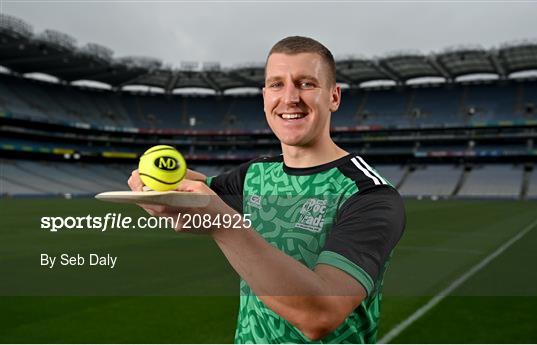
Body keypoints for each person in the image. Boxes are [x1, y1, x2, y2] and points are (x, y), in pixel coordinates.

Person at [128, 36, 406, 343]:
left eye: (306, 84)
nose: (289, 98)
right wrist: (155, 182)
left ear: (334, 97)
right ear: (264, 97)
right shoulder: (255, 175)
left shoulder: (368, 194)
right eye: (276, 84)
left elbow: (320, 315)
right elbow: (194, 193)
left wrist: (222, 223)